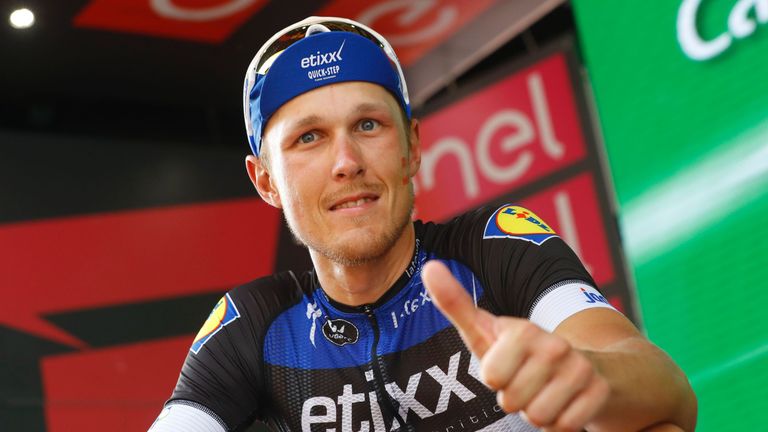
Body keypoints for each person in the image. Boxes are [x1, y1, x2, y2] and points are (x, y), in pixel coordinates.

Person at [149, 16, 696, 432]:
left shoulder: (494, 243)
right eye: (308, 138)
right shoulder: (253, 324)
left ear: (412, 148)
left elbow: (666, 387)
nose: (347, 161)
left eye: (368, 124)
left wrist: (585, 377)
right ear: (266, 181)